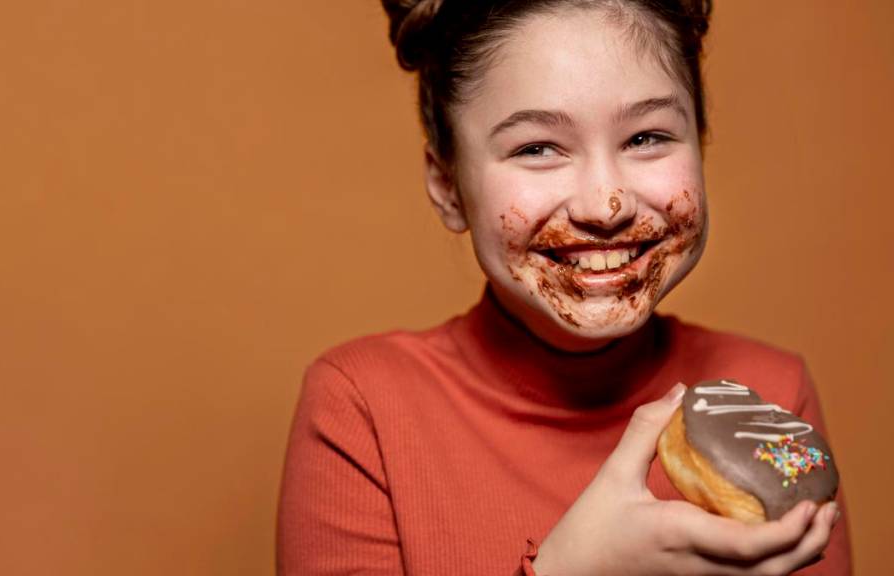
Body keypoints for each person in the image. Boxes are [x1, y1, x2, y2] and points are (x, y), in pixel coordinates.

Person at [277, 0, 852, 574]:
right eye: (536, 148)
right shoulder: (363, 408)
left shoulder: (773, 398)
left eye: (647, 137)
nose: (606, 205)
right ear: (448, 185)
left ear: (701, 141)